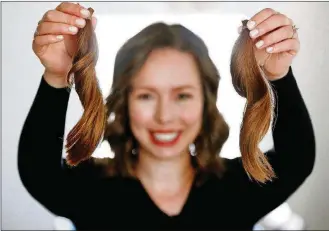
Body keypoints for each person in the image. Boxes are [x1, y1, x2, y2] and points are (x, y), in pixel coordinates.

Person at [18, 2, 315, 230]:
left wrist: (278, 76)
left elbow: (296, 159)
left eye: (182, 95)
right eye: (146, 95)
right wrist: (57, 76)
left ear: (205, 101)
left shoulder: (235, 188)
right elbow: (38, 173)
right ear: (124, 102)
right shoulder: (90, 190)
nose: (164, 116)